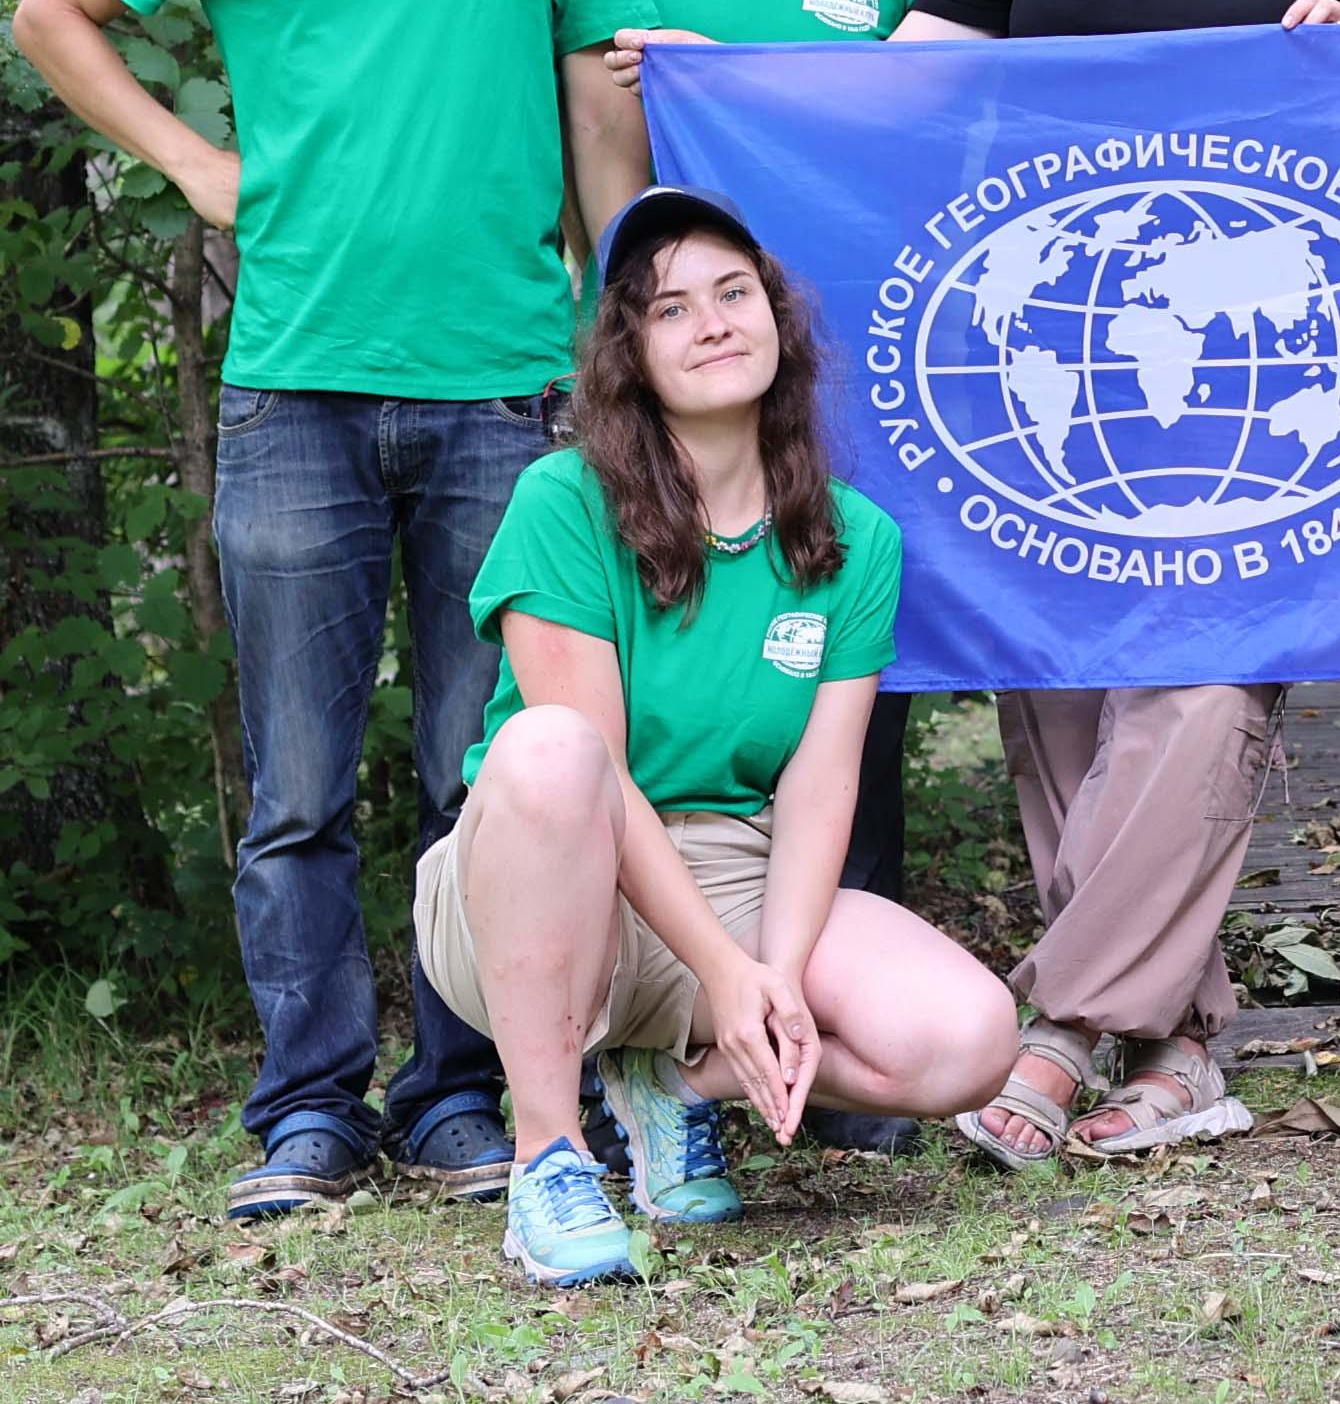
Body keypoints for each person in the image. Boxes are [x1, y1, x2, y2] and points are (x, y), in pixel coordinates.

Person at [9, 0, 654, 1219]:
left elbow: (604, 103)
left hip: (507, 386)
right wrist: (195, 165)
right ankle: (309, 1103)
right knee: (295, 784)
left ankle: (457, 1095)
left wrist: (616, 326)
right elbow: (56, 12)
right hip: (292, 382)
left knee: (484, 766)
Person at [896, 0, 1340, 1163]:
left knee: (1197, 693)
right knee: (1058, 701)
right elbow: (898, 97)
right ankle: (1179, 1052)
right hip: (1046, 369)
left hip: (1255, 384)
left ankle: (1050, 1035)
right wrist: (718, 81)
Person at [417, 185, 1017, 1286]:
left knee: (971, 1041)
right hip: (551, 876)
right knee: (553, 750)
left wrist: (773, 979)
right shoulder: (564, 501)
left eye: (734, 293)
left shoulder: (855, 539)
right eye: (671, 309)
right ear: (629, 359)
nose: (714, 322)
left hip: (732, 872)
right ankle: (548, 1158)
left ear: (779, 321)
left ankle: (674, 1090)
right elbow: (587, 772)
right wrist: (719, 969)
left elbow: (822, 787)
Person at [608, 0, 952, 1149]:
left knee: (837, 705)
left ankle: (810, 1017)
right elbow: (591, 157)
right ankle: (637, 1020)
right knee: (646, 682)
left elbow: (977, 128)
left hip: (860, 379)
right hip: (672, 377)